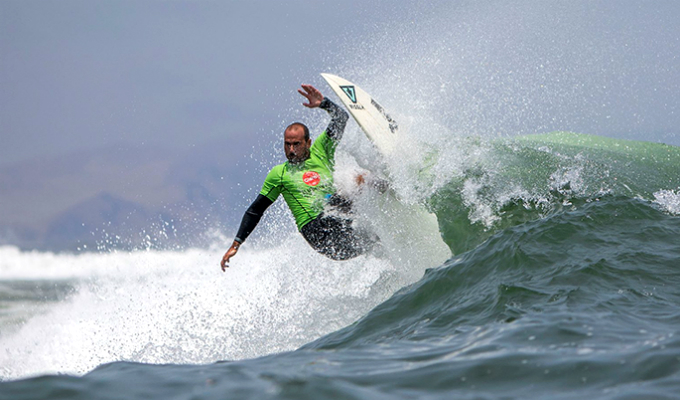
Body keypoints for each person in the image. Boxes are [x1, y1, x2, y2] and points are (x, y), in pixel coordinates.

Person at [221, 83, 378, 271]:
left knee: (360, 180)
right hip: (318, 233)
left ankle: (392, 197)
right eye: (287, 144)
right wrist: (236, 243)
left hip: (336, 215)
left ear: (308, 142)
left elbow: (341, 118)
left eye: (296, 144)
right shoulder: (279, 174)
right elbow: (255, 210)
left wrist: (324, 104)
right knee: (350, 190)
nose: (291, 150)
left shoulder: (321, 150)